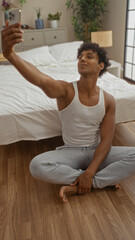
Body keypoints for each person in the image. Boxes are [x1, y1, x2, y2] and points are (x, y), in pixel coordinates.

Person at [2, 23, 135, 203]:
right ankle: (99, 181)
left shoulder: (109, 99)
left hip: (98, 152)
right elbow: (40, 78)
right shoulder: (65, 90)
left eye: (89, 56)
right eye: (80, 56)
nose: (82, 59)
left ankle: (83, 183)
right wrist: (10, 54)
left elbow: (107, 140)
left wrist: (89, 172)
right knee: (37, 166)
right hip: (71, 152)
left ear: (100, 66)